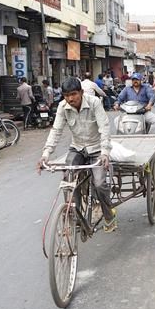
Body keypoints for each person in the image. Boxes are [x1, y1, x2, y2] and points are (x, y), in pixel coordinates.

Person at [38, 77, 117, 231]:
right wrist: (45, 155)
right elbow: (56, 131)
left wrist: (105, 153)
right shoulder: (62, 107)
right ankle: (75, 215)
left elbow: (104, 128)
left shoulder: (94, 103)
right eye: (66, 95)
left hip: (96, 149)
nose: (70, 98)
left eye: (73, 94)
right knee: (68, 181)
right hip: (77, 148)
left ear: (81, 92)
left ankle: (109, 215)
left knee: (100, 184)